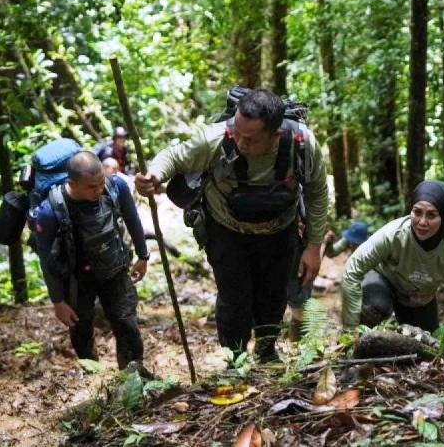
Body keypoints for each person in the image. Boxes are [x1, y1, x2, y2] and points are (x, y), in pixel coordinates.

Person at [135, 88, 328, 362]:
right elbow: (173, 156)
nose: (239, 141)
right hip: (226, 229)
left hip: (280, 230)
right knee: (234, 298)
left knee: (273, 294)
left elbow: (317, 192)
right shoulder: (215, 138)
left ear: (275, 135)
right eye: (236, 131)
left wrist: (313, 245)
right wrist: (153, 176)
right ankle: (234, 358)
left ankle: (266, 352)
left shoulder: (301, 143)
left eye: (249, 138)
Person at [33, 151, 150, 371]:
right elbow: (46, 259)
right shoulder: (50, 212)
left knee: (126, 322)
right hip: (77, 280)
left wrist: (143, 256)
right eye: (91, 187)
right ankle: (93, 375)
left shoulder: (115, 187)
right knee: (80, 329)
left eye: (100, 183)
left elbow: (132, 218)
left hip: (114, 269)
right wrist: (58, 301)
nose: (98, 190)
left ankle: (134, 375)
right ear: (72, 183)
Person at [340, 181, 444, 351]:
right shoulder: (392, 235)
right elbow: (353, 269)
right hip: (383, 281)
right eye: (417, 212)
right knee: (375, 306)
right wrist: (350, 331)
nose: (422, 222)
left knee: (427, 346)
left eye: (432, 215)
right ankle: (356, 348)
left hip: (419, 298)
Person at [286, 221, 370, 341]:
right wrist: (328, 243)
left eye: (354, 243)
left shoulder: (370, 247)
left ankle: (356, 330)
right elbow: (332, 253)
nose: (351, 245)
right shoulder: (348, 240)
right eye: (350, 242)